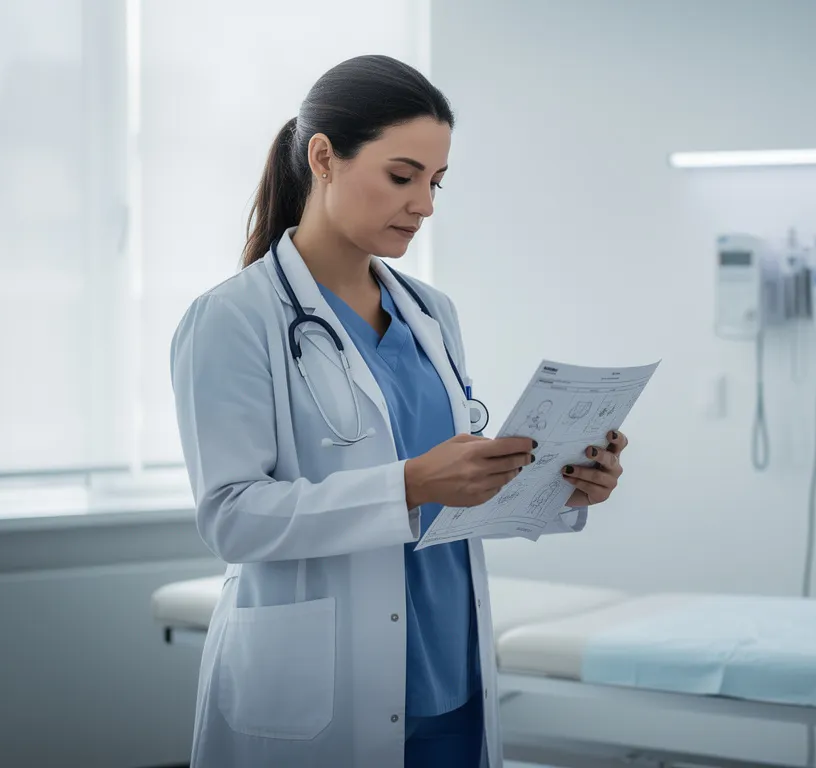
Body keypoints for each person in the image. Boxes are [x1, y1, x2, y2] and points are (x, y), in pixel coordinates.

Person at [169, 54, 628, 767]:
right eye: (402, 175)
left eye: (437, 182)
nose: (425, 204)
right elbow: (231, 517)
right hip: (322, 684)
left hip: (451, 665)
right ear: (324, 157)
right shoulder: (234, 318)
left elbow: (454, 495)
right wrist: (409, 484)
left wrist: (561, 484)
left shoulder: (430, 313)